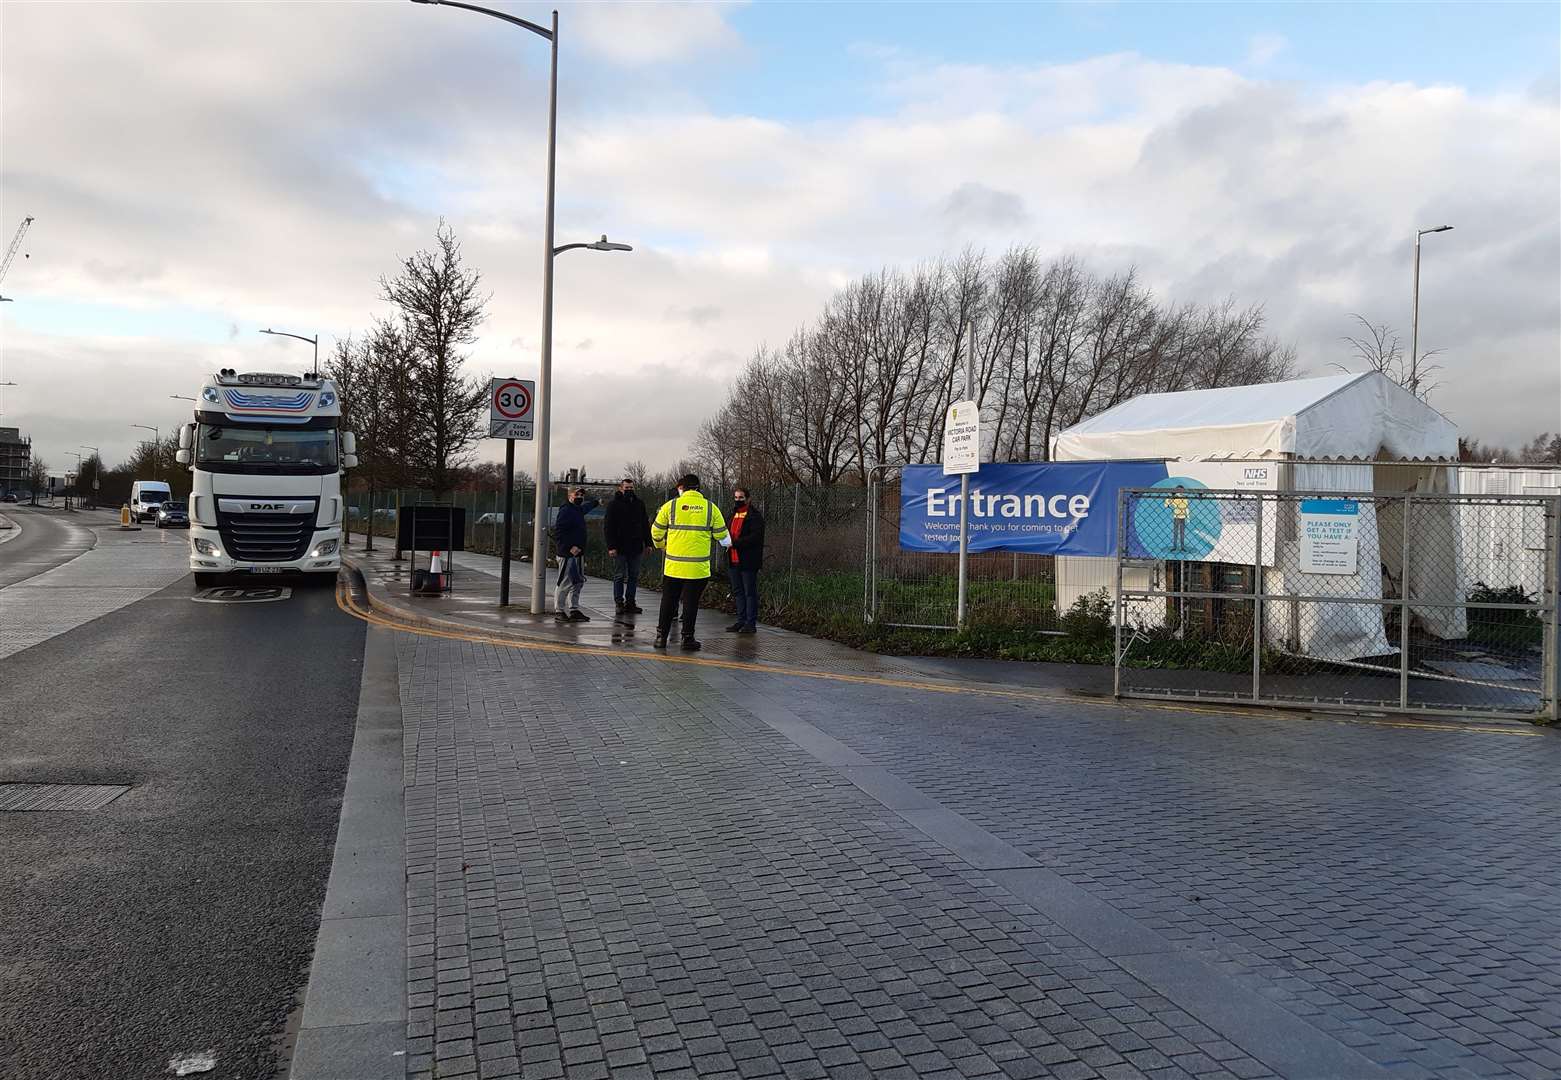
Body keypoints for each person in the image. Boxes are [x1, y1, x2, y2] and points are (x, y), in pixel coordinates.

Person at [650, 473, 730, 650]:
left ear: (682, 488)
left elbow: (655, 532)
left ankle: (661, 637)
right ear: (698, 488)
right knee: (691, 603)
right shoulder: (711, 508)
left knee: (668, 601)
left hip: (674, 567)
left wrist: (662, 545)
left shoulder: (670, 506)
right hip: (698, 568)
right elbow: (722, 535)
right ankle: (687, 639)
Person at [603, 477, 653, 615]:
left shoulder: (639, 504)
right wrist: (611, 546)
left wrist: (648, 543)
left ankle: (630, 602)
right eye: (627, 488)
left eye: (631, 488)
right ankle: (619, 602)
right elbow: (608, 527)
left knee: (634, 575)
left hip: (636, 547)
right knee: (619, 575)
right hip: (619, 547)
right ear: (621, 488)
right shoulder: (614, 505)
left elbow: (645, 525)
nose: (629, 490)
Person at [552, 486, 598, 621]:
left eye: (581, 495)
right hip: (568, 554)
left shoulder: (577, 510)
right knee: (565, 582)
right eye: (576, 494)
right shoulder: (566, 511)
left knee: (577, 582)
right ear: (570, 495)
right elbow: (559, 532)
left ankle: (574, 609)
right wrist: (569, 547)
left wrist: (596, 503)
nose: (579, 497)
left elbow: (585, 508)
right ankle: (559, 611)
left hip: (578, 553)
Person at [725, 486, 765, 634]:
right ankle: (740, 621)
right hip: (733, 559)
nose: (738, 500)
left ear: (748, 499)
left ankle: (750, 623)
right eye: (736, 497)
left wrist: (735, 543)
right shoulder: (732, 514)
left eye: (741, 497)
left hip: (748, 560)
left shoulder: (755, 517)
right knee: (738, 591)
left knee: (749, 592)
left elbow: (755, 538)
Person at [1163, 486, 1189, 553]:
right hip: (1176, 517)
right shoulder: (1174, 498)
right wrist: (1170, 497)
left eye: (1182, 491)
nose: (1180, 492)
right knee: (1175, 533)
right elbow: (1166, 505)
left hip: (1183, 517)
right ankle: (1174, 547)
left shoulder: (1185, 498)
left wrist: (1188, 517)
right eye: (1179, 490)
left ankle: (1182, 547)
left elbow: (1187, 508)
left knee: (1182, 533)